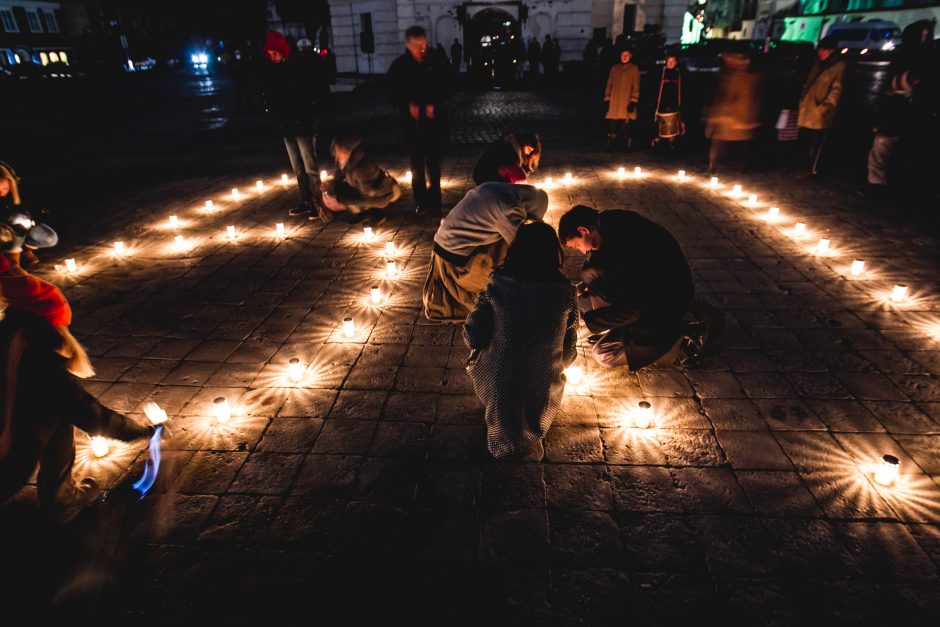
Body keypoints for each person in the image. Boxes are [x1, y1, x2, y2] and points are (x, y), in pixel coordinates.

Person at [0, 225, 154, 525]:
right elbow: (84, 409)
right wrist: (141, 432)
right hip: (5, 467)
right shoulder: (38, 360)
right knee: (59, 411)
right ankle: (59, 497)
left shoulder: (10, 337)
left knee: (53, 414)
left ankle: (62, 492)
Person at [464, 221, 578, 461]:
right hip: (542, 393)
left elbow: (474, 335)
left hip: (495, 384)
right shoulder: (565, 292)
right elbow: (568, 355)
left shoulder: (498, 284)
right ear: (553, 254)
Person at [558, 205, 706, 371]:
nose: (583, 251)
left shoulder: (626, 247)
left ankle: (682, 342)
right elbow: (607, 268)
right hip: (649, 289)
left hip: (664, 301)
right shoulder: (607, 224)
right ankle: (619, 329)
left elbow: (634, 308)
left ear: (583, 230)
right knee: (590, 274)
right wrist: (580, 288)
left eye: (577, 245)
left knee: (603, 354)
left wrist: (586, 318)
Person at [423, 182, 548, 323]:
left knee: (505, 244)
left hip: (445, 243)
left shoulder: (500, 189)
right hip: (454, 259)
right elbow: (522, 247)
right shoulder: (510, 209)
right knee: (504, 290)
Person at [387, 26, 456, 216]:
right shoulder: (400, 66)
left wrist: (436, 104)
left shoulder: (437, 60)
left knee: (434, 166)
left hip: (435, 124)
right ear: (407, 44)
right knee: (416, 167)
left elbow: (450, 86)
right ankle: (421, 202)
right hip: (412, 127)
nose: (421, 49)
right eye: (417, 45)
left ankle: (435, 203)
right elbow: (392, 93)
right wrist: (407, 104)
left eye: (424, 44)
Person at [261, 30, 324, 219]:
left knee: (309, 166)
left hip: (302, 124)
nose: (272, 56)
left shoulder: (298, 67)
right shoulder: (273, 71)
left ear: (282, 50)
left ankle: (317, 203)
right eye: (269, 53)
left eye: (275, 52)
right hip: (287, 126)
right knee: (298, 167)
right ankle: (305, 201)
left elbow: (307, 95)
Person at [319, 137, 401, 226]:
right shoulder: (345, 160)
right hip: (365, 192)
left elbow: (368, 199)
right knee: (338, 190)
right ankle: (363, 212)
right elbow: (337, 178)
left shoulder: (363, 168)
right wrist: (328, 188)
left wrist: (342, 203)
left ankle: (376, 214)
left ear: (346, 149)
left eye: (337, 149)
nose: (334, 153)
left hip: (379, 197)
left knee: (344, 198)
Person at [796, 37, 846, 178]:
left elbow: (837, 90)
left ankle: (811, 169)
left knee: (816, 143)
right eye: (819, 49)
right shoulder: (817, 63)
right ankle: (802, 167)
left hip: (820, 113)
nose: (820, 52)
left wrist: (825, 107)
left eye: (823, 50)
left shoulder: (839, 66)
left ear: (831, 51)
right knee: (804, 141)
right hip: (808, 108)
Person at [864, 70, 919, 195]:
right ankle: (878, 184)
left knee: (878, 160)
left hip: (886, 135)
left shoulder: (895, 100)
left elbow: (886, 117)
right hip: (890, 134)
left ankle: (877, 185)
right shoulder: (905, 99)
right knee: (880, 160)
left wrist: (878, 127)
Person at [705, 52, 761, 173]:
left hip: (736, 118)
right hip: (727, 118)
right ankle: (713, 164)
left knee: (738, 144)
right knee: (718, 142)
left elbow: (747, 99)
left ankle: (741, 165)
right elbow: (720, 96)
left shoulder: (746, 78)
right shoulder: (726, 76)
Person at [1, 161, 58, 267]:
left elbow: (32, 208)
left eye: (5, 188)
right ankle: (13, 261)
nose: (2, 192)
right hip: (3, 233)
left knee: (50, 238)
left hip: (21, 228)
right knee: (18, 217)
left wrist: (15, 194)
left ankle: (25, 250)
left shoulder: (20, 187)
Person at [604, 48, 641, 150]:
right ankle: (612, 141)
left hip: (626, 101)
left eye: (627, 55)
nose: (624, 57)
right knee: (613, 123)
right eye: (622, 55)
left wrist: (633, 100)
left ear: (630, 56)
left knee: (625, 123)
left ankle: (625, 143)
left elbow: (636, 86)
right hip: (615, 101)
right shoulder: (615, 68)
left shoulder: (634, 69)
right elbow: (609, 83)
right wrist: (607, 98)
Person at [471, 132, 541, 185]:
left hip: (487, 176)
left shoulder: (514, 145)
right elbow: (515, 172)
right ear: (524, 142)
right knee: (520, 177)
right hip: (485, 177)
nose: (528, 153)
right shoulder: (510, 149)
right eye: (529, 149)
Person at [654, 54, 684, 150]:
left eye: (673, 61)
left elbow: (681, 89)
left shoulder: (678, 73)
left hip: (673, 104)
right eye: (669, 61)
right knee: (661, 125)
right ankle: (659, 145)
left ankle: (672, 144)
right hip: (661, 103)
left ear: (676, 62)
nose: (671, 63)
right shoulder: (661, 72)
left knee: (672, 126)